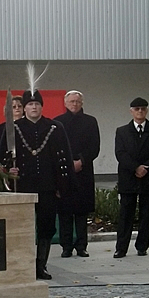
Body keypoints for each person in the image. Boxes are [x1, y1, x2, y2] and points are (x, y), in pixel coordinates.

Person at [0, 89, 74, 280]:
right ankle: (24, 265)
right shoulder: (12, 128)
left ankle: (41, 265)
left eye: (37, 104)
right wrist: (8, 171)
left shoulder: (55, 127)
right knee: (23, 227)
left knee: (46, 227)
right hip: (22, 187)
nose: (34, 107)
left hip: (48, 186)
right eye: (30, 104)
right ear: (24, 108)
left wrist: (62, 186)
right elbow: (1, 158)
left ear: (41, 106)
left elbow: (65, 157)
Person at [113, 97, 149, 259]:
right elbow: (120, 153)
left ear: (147, 110)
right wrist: (136, 167)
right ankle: (121, 248)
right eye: (137, 109)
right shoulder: (122, 131)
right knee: (126, 214)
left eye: (143, 108)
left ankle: (142, 246)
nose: (140, 111)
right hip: (129, 177)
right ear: (131, 111)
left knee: (146, 214)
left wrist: (146, 168)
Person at [54, 90, 100, 258]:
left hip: (84, 171)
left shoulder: (90, 121)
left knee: (81, 212)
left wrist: (81, 160)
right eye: (71, 101)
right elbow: (55, 148)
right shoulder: (57, 122)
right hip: (64, 172)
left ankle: (81, 246)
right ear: (65, 103)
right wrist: (68, 163)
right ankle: (66, 247)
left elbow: (95, 146)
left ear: (82, 103)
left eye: (77, 101)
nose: (74, 104)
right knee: (65, 212)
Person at [0, 95, 23, 160]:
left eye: (20, 106)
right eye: (14, 107)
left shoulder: (27, 125)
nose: (17, 108)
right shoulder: (2, 128)